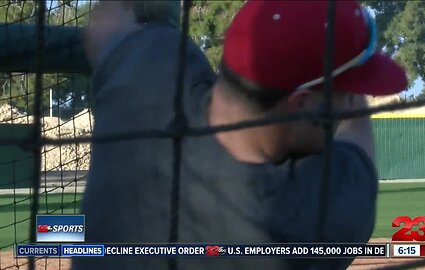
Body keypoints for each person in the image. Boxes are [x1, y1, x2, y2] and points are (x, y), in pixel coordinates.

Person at [73, 1, 407, 270]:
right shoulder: (310, 214)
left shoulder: (150, 62)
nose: (352, 100)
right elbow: (356, 140)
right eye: (348, 91)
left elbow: (107, 25)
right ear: (302, 104)